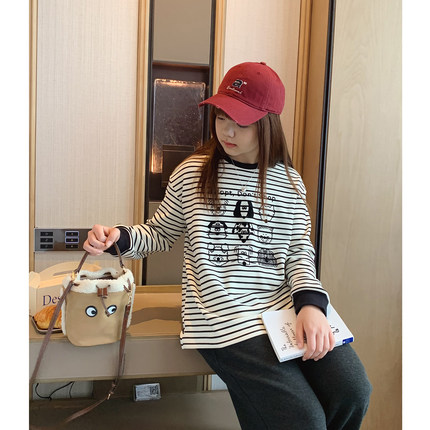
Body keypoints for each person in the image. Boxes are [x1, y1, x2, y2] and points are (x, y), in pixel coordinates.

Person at [84, 62, 372, 429]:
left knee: (353, 391)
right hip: (222, 314)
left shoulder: (289, 182)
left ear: (268, 123)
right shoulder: (192, 173)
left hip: (282, 309)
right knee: (304, 419)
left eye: (242, 122)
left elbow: (299, 252)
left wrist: (312, 306)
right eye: (221, 117)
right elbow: (160, 233)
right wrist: (118, 238)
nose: (227, 131)